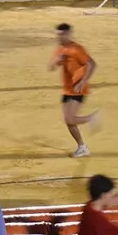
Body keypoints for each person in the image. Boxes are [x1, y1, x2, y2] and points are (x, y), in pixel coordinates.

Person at [49, 23, 99, 158]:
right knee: (68, 121)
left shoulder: (77, 49)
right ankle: (82, 147)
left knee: (70, 119)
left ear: (68, 34)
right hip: (67, 89)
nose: (59, 38)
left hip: (78, 88)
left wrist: (83, 81)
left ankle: (92, 118)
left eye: (62, 35)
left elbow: (92, 64)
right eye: (57, 35)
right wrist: (58, 61)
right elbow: (51, 67)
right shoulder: (60, 49)